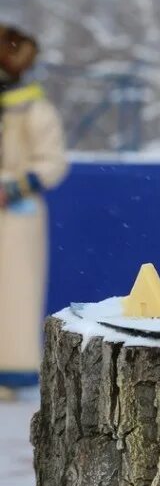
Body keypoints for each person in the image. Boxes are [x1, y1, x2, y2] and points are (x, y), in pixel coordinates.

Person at [0, 25, 68, 401]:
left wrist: (13, 187)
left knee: (13, 291)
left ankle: (8, 374)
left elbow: (53, 162)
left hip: (14, 213)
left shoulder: (32, 107)